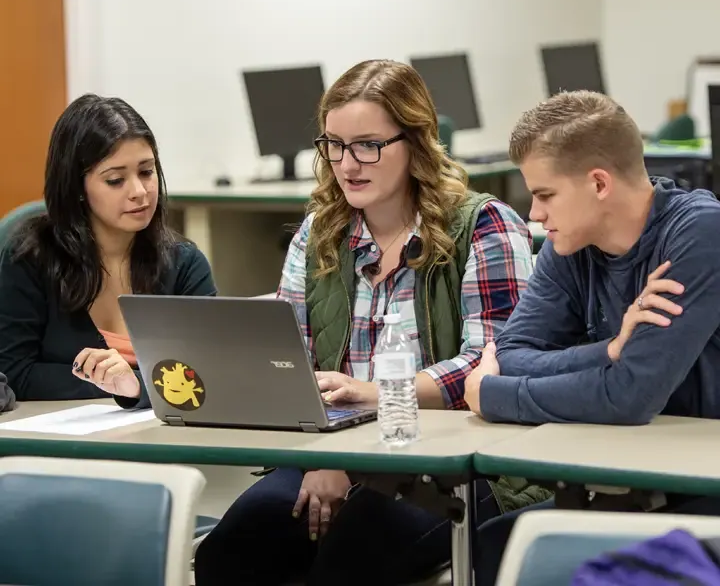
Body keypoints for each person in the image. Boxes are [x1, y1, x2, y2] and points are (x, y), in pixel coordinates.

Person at [194, 59, 550, 586]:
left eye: (367, 145)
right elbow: (289, 358)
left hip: (454, 461)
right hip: (335, 446)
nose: (346, 163)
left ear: (416, 141)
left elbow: (493, 362)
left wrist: (379, 393)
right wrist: (329, 457)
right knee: (230, 552)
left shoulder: (485, 225)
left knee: (347, 558)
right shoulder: (320, 233)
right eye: (333, 144)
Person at [462, 90, 720, 585]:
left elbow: (629, 396)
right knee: (492, 547)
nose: (535, 214)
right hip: (631, 477)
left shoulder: (698, 232)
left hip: (703, 488)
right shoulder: (572, 241)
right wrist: (608, 351)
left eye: (544, 194)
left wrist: (493, 395)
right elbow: (513, 352)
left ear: (598, 183)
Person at [0, 94, 216, 404]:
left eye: (146, 172)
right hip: (58, 440)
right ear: (76, 187)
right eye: (115, 180)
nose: (139, 192)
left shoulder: (184, 262)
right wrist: (114, 385)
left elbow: (211, 368)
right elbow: (14, 374)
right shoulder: (31, 259)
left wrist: (137, 387)